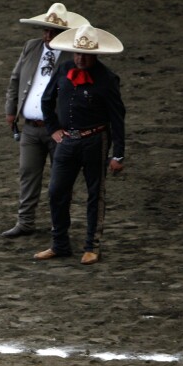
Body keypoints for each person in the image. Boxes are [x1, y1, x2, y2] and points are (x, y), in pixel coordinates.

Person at [35, 24, 126, 265]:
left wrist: (118, 154)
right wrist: (54, 129)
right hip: (67, 140)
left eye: (85, 54)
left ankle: (92, 246)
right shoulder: (64, 69)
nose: (80, 58)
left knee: (95, 194)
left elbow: (117, 117)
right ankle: (60, 243)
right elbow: (46, 100)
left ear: (95, 54)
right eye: (77, 53)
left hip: (95, 140)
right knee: (56, 191)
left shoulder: (107, 79)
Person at [1, 3, 90, 239]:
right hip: (31, 127)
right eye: (46, 31)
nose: (48, 36)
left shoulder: (74, 55)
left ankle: (59, 224)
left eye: (54, 32)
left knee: (61, 180)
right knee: (28, 174)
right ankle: (25, 221)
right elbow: (15, 79)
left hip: (58, 129)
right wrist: (11, 110)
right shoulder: (31, 47)